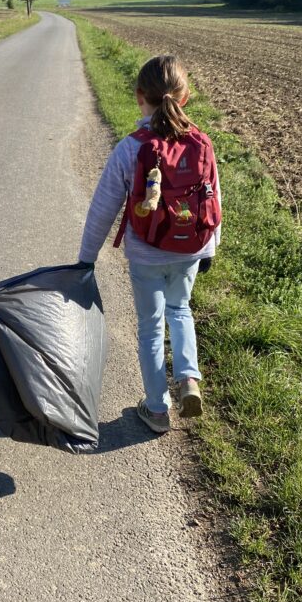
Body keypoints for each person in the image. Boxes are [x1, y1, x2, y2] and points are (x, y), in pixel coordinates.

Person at [77, 55, 221, 434]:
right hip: (190, 250)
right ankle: (188, 378)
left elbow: (103, 209)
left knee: (151, 327)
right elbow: (213, 200)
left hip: (147, 254)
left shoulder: (131, 148)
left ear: (139, 96)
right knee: (181, 310)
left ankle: (156, 410)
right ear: (185, 97)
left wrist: (85, 260)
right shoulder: (201, 143)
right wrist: (209, 249)